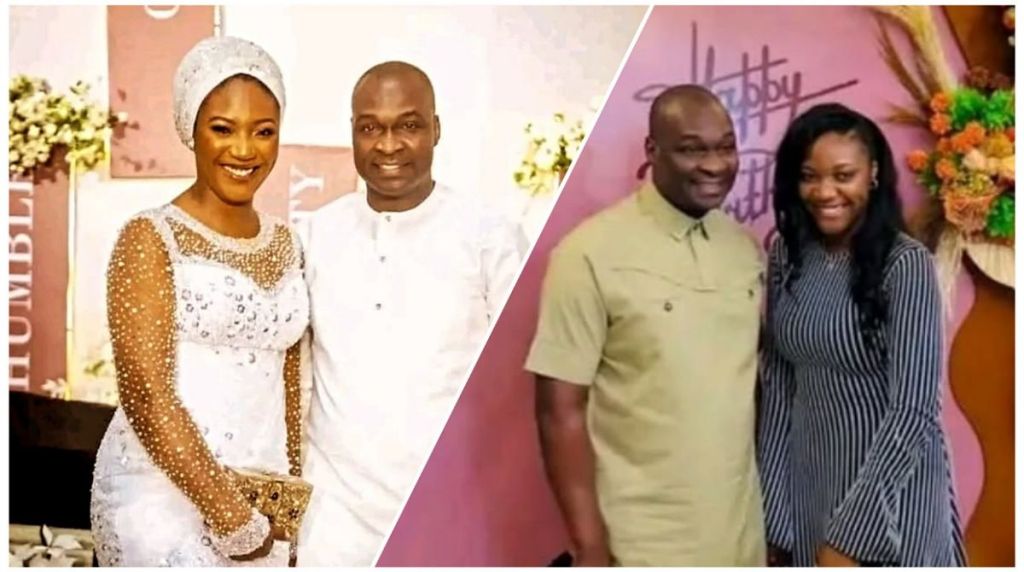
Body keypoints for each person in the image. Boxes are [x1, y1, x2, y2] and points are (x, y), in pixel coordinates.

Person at [90, 36, 308, 566]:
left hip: (261, 499)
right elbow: (146, 395)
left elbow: (290, 383)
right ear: (190, 129)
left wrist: (288, 503)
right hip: (159, 500)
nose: (244, 150)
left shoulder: (288, 242)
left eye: (264, 131)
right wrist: (230, 516)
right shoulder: (149, 237)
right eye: (222, 129)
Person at [525, 84, 766, 566]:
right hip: (639, 544)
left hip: (742, 542)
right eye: (692, 149)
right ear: (652, 151)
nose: (715, 165)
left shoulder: (744, 249)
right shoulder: (587, 254)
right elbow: (558, 410)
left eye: (725, 147)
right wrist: (590, 546)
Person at [297, 61, 526, 566]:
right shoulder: (314, 235)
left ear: (436, 130)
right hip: (334, 526)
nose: (388, 145)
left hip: (452, 514)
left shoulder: (490, 237)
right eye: (370, 127)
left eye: (408, 125)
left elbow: (521, 382)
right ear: (352, 133)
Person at [757, 103, 966, 566]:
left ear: (872, 174)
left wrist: (852, 535)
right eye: (809, 176)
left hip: (893, 499)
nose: (824, 192)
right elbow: (778, 386)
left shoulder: (906, 264)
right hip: (811, 490)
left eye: (843, 175)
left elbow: (914, 411)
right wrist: (773, 516)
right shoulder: (786, 256)